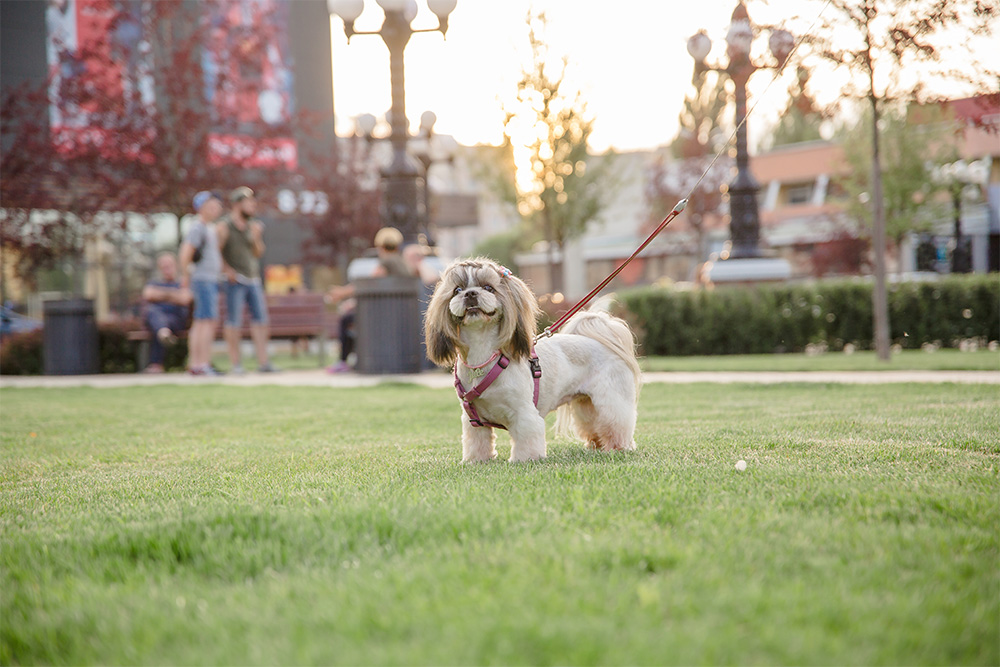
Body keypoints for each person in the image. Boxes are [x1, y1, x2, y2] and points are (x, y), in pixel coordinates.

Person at [326, 227, 411, 374]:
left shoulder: (386, 263)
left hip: (382, 315)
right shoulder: (402, 263)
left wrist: (342, 294)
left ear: (380, 247)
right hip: (400, 314)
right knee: (352, 316)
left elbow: (369, 285)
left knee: (347, 319)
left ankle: (343, 361)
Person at [218, 186, 277, 374]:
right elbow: (216, 252)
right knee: (233, 322)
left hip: (253, 279)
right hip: (235, 281)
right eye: (248, 202)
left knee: (261, 321)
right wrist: (227, 271)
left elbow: (258, 253)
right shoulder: (224, 226)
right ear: (237, 204)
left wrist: (257, 237)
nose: (252, 206)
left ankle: (264, 363)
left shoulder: (253, 226)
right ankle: (236, 365)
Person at [179, 190, 225, 376]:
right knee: (205, 321)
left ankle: (198, 363)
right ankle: (201, 364)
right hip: (203, 281)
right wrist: (186, 280)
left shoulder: (210, 228)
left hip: (210, 280)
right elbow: (185, 254)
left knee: (203, 321)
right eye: (212, 206)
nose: (217, 209)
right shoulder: (198, 227)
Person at [140, 252, 191, 373]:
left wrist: (161, 295)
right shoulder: (154, 282)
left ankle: (156, 365)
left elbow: (185, 298)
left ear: (176, 266)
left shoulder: (183, 282)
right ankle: (164, 333)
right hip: (157, 318)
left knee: (159, 323)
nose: (167, 269)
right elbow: (148, 294)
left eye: (169, 266)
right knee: (154, 313)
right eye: (164, 267)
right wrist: (174, 295)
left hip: (176, 320)